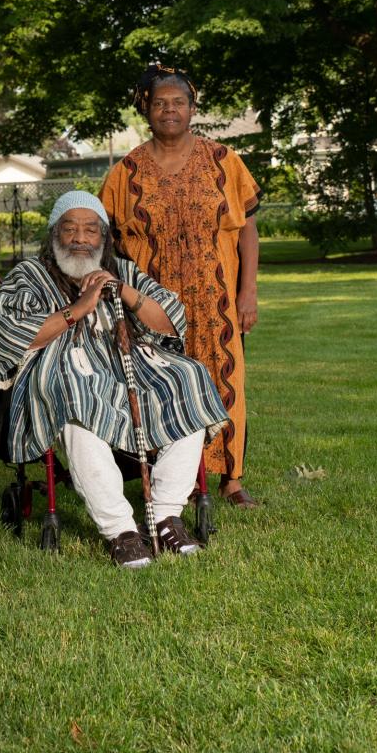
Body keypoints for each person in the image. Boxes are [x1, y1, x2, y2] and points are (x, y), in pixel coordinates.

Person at [0, 190, 228, 568]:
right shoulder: (29, 276)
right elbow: (13, 334)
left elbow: (171, 323)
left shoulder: (124, 270)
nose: (80, 238)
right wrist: (78, 309)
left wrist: (125, 292)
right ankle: (121, 531)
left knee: (189, 376)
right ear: (54, 236)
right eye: (70, 229)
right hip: (62, 372)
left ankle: (165, 517)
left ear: (104, 237)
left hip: (130, 367)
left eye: (90, 230)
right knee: (74, 391)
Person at [100, 63, 261, 507]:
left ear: (192, 108)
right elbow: (105, 243)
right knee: (164, 387)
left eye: (178, 103)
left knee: (225, 380)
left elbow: (247, 228)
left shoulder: (224, 162)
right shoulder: (123, 174)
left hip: (218, 300)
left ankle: (230, 479)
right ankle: (178, 480)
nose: (169, 110)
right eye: (160, 103)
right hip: (156, 308)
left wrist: (248, 292)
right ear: (145, 110)